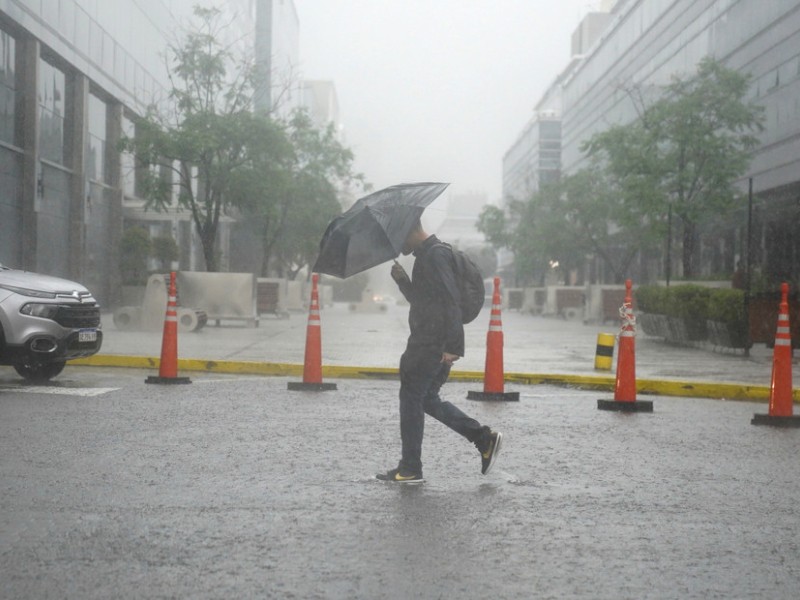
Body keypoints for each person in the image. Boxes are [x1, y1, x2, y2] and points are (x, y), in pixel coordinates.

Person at [376, 218, 503, 484]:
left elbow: (449, 301)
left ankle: (410, 468)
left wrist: (453, 347)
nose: (399, 246)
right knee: (426, 399)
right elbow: (426, 303)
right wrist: (403, 282)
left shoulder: (434, 256)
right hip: (431, 339)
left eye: (400, 238)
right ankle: (483, 438)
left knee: (411, 399)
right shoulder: (429, 256)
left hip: (429, 342)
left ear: (412, 230)